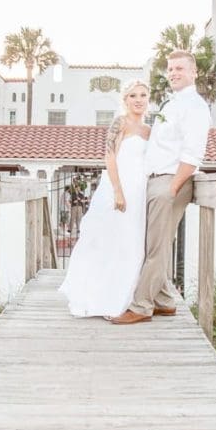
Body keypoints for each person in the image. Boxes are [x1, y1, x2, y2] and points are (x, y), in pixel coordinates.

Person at [110, 50, 211, 324]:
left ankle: (141, 306)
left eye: (180, 68)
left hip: (169, 182)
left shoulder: (196, 106)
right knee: (155, 243)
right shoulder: (172, 103)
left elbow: (193, 153)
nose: (174, 73)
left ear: (194, 72)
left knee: (155, 247)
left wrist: (173, 187)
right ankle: (164, 301)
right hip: (154, 180)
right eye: (171, 69)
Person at [59, 80, 152, 317]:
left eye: (143, 95)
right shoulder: (119, 123)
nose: (138, 100)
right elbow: (110, 157)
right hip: (118, 189)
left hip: (140, 192)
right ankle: (100, 297)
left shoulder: (149, 131)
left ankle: (123, 298)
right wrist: (118, 191)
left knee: (131, 243)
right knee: (107, 240)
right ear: (125, 100)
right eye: (133, 96)